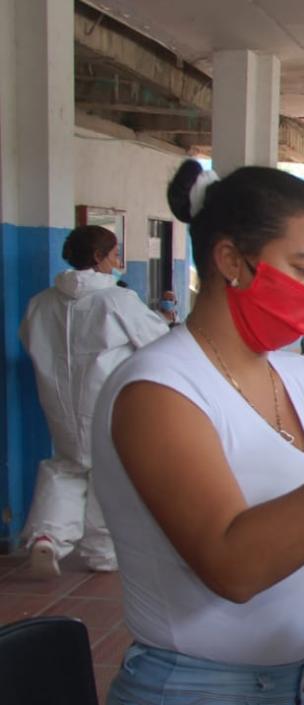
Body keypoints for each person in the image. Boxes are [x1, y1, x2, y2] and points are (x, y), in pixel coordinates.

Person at [93, 160, 304, 704]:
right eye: (301, 269)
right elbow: (233, 567)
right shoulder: (159, 391)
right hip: (195, 688)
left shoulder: (299, 379)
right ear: (231, 260)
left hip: (294, 682)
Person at [20, 225, 170, 578]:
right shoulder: (116, 301)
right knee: (109, 471)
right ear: (99, 257)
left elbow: (28, 340)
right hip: (106, 399)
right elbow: (156, 340)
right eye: (115, 253)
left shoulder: (41, 302)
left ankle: (48, 537)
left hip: (59, 401)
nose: (118, 261)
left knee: (67, 465)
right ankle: (102, 553)